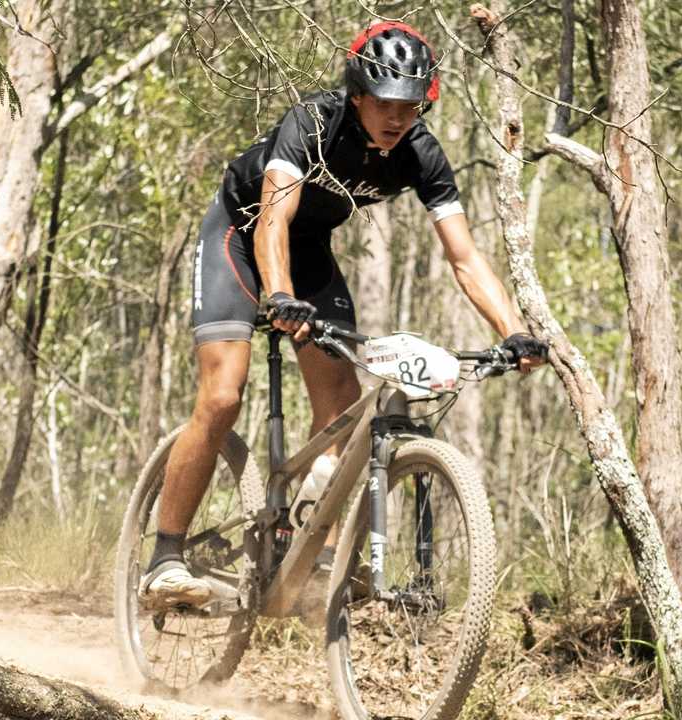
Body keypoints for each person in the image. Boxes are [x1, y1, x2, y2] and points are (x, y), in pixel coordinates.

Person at [140, 21, 549, 607]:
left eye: (409, 107)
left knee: (339, 409)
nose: (396, 118)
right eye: (384, 103)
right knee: (224, 395)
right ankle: (165, 559)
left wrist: (512, 331)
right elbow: (272, 219)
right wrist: (278, 296)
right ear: (357, 94)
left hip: (308, 254)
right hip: (240, 232)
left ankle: (309, 554)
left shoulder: (419, 154)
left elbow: (462, 256)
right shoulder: (312, 122)